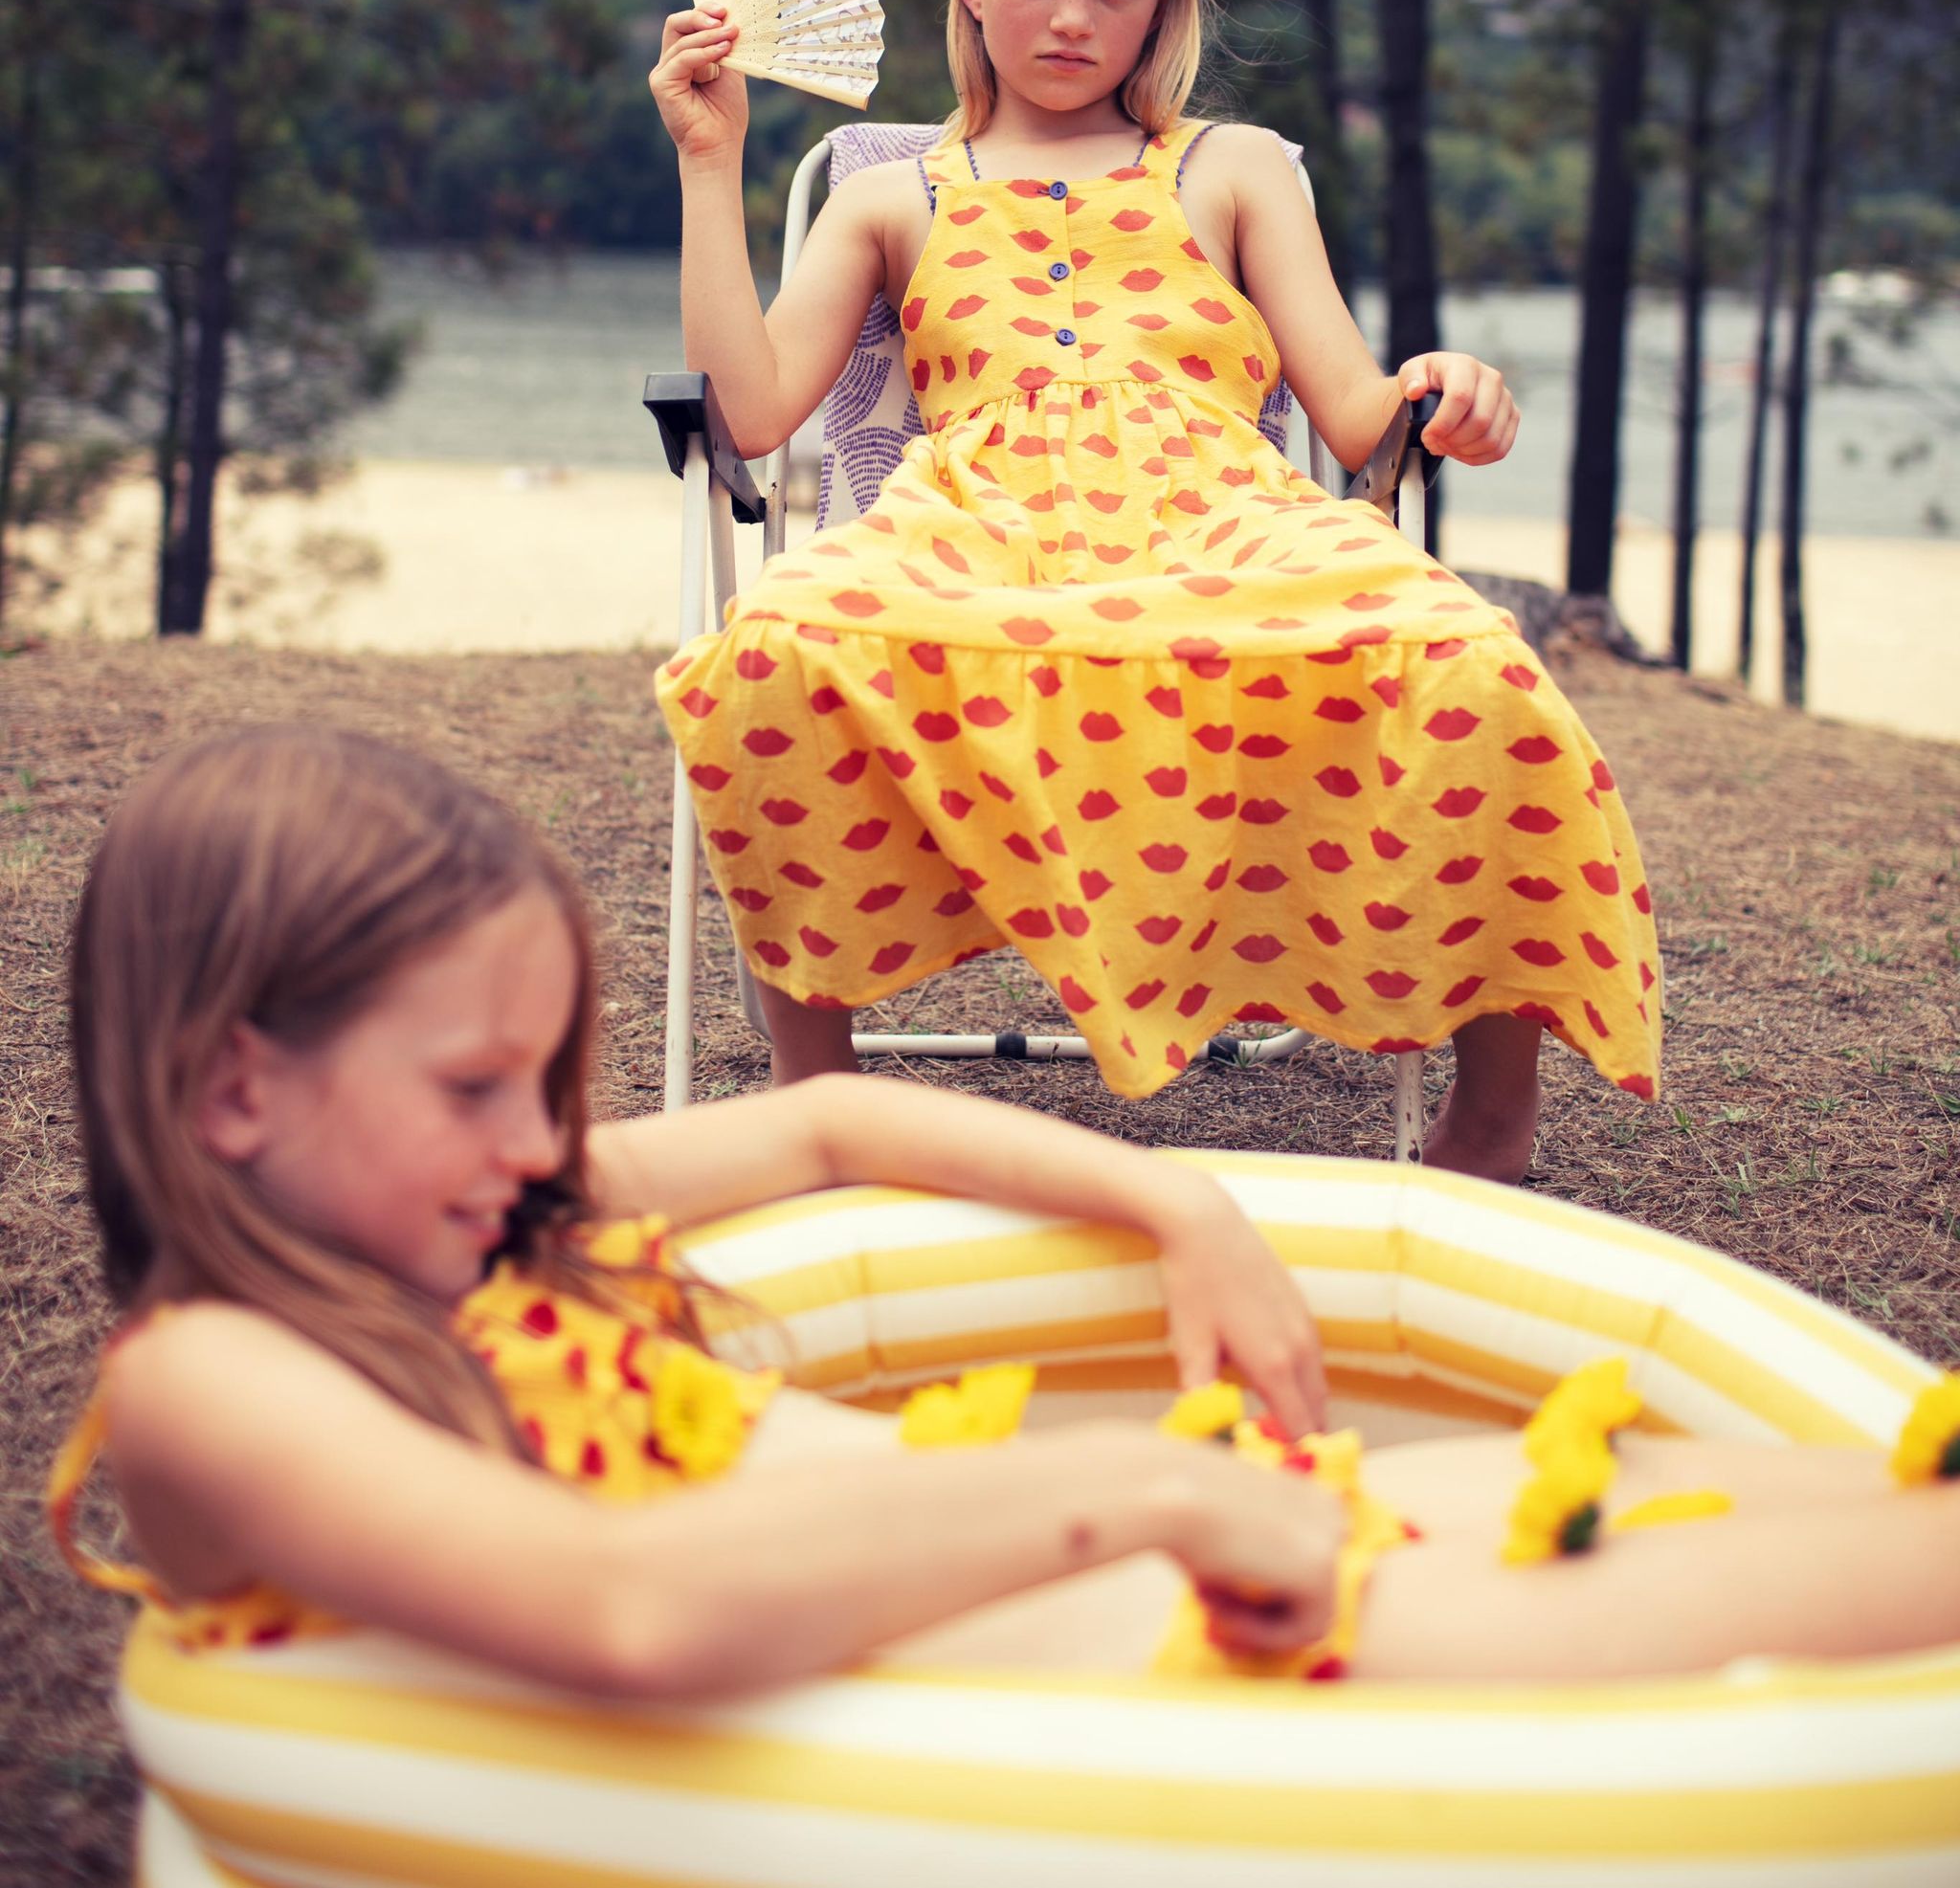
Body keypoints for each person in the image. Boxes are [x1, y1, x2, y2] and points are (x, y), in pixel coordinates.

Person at [56, 725, 1960, 1704]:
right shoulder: (214, 1378)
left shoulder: (492, 1223)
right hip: (1174, 1655)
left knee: (1872, 1489)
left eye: (548, 1078)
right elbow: (625, 1609)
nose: (538, 1135)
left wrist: (1167, 1197)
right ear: (236, 1084)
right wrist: (1144, 1492)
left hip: (1199, 1549)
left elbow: (831, 1130)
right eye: (476, 1085)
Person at [649, 0, 1656, 1178]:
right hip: (980, 524)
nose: (1074, 19)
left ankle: (1493, 1121)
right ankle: (817, 1107)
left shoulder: (1228, 168)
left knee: (1476, 667)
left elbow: (1361, 414)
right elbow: (754, 405)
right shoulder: (898, 197)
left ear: (1162, 4)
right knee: (774, 653)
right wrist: (714, 160)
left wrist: (1447, 387)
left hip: (1222, 513)